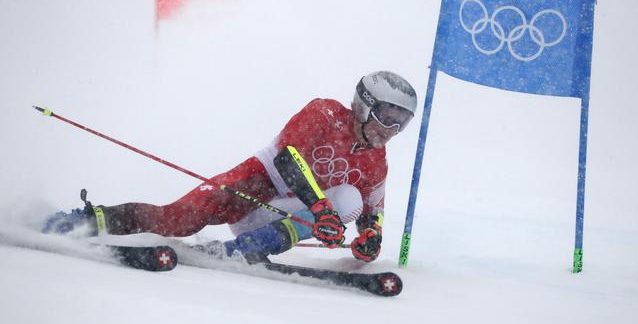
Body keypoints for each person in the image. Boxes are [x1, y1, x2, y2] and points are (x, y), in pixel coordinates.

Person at [44, 71, 418, 264]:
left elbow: (372, 211)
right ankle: (89, 220)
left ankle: (248, 248)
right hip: (258, 185)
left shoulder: (375, 162)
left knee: (351, 196)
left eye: (402, 122)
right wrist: (321, 209)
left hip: (277, 223)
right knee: (179, 220)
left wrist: (371, 237)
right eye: (387, 116)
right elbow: (289, 160)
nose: (392, 130)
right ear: (364, 104)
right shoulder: (323, 112)